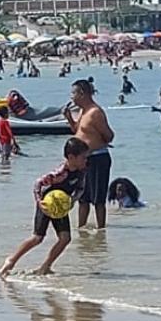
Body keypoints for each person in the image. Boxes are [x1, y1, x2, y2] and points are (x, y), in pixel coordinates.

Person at [0, 137, 89, 278]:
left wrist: (72, 200)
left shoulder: (82, 171)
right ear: (71, 157)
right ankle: (11, 260)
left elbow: (80, 189)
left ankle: (45, 267)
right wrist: (39, 201)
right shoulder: (60, 173)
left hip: (60, 206)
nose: (86, 161)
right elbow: (38, 184)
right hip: (47, 203)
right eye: (83, 158)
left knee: (65, 238)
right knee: (37, 238)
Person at [64, 79, 114, 229]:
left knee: (98, 199)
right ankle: (81, 229)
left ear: (82, 94)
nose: (71, 97)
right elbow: (77, 130)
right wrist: (68, 117)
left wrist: (95, 144)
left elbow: (109, 136)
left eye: (73, 93)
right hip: (83, 160)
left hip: (98, 157)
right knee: (82, 197)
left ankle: (101, 230)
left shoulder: (95, 112)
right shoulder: (82, 111)